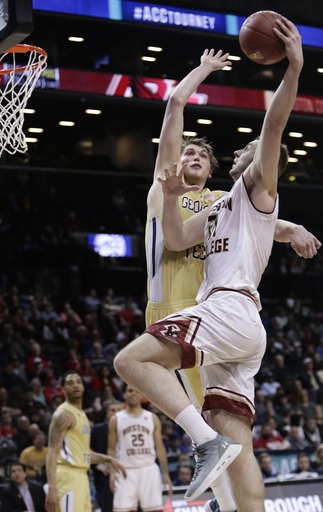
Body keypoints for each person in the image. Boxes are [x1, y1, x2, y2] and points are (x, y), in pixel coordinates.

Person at [114, 18, 316, 512]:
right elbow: (179, 237)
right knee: (237, 439)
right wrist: (173, 195)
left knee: (129, 362)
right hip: (222, 318)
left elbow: (273, 127)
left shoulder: (254, 189)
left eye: (245, 150)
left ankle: (204, 442)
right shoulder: (219, 205)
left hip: (224, 309)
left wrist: (294, 68)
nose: (239, 149)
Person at [45, 370, 126, 512]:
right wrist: (52, 488)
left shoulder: (82, 415)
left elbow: (83, 455)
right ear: (63, 389)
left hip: (82, 476)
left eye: (78, 382)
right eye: (70, 383)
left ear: (83, 386)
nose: (75, 385)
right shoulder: (63, 414)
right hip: (67, 476)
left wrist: (108, 459)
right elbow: (52, 452)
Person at [108, 384, 173, 512]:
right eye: (130, 391)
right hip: (125, 470)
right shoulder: (116, 419)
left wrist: (166, 474)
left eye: (136, 391)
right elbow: (111, 449)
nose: (133, 394)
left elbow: (160, 448)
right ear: (125, 395)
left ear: (142, 395)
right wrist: (112, 473)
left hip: (148, 468)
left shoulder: (152, 418)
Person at [90, 400, 124, 512]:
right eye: (113, 410)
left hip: (128, 474)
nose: (116, 413)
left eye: (119, 410)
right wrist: (97, 465)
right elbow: (85, 451)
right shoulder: (97, 430)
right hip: (105, 477)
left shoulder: (129, 427)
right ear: (107, 412)